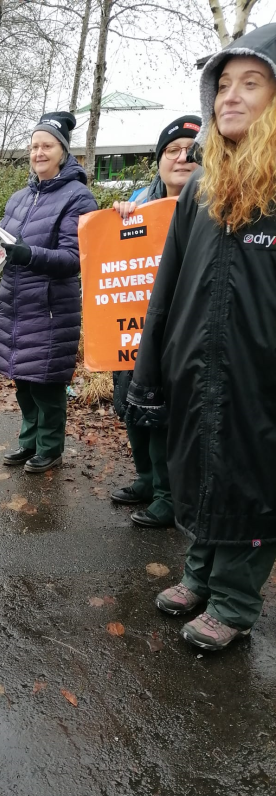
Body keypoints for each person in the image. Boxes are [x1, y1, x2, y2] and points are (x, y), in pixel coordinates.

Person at [127, 24, 276, 651]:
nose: (230, 97)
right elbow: (166, 284)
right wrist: (149, 370)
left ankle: (236, 602)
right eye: (223, 85)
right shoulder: (204, 189)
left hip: (260, 371)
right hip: (197, 362)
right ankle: (201, 576)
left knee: (253, 474)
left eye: (251, 83)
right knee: (206, 464)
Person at [0, 112, 97, 474]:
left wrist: (29, 254)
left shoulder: (78, 198)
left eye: (47, 145)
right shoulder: (19, 198)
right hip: (15, 303)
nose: (39, 152)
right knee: (22, 379)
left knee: (46, 382)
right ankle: (29, 440)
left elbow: (74, 258)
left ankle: (50, 447)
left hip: (51, 306)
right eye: (34, 146)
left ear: (63, 152)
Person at [109, 115, 201, 528]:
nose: (181, 158)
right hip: (128, 328)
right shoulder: (139, 201)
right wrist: (119, 217)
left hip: (180, 331)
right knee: (132, 404)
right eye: (172, 151)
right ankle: (146, 479)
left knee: (165, 414)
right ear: (159, 159)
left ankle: (168, 494)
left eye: (191, 152)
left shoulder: (214, 204)